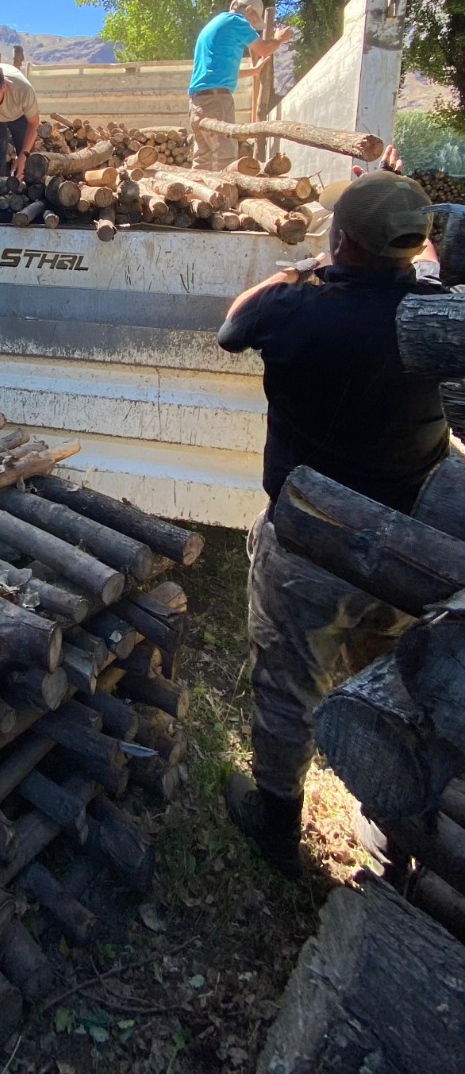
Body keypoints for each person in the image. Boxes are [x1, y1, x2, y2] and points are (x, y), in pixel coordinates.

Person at [216, 168, 448, 878]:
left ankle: (276, 820)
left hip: (312, 543)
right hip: (410, 546)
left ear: (340, 238)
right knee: (400, 685)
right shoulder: (437, 316)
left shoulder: (292, 303)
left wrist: (302, 268)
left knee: (290, 683)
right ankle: (399, 833)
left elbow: (231, 328)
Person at [188, 0, 292, 171]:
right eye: (254, 21)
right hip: (216, 101)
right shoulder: (236, 21)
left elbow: (221, 73)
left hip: (197, 101)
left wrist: (254, 71)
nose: (252, 26)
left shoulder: (215, 24)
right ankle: (223, 197)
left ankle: (195, 196)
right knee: (225, 157)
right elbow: (265, 48)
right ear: (249, 10)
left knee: (203, 159)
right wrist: (280, 38)